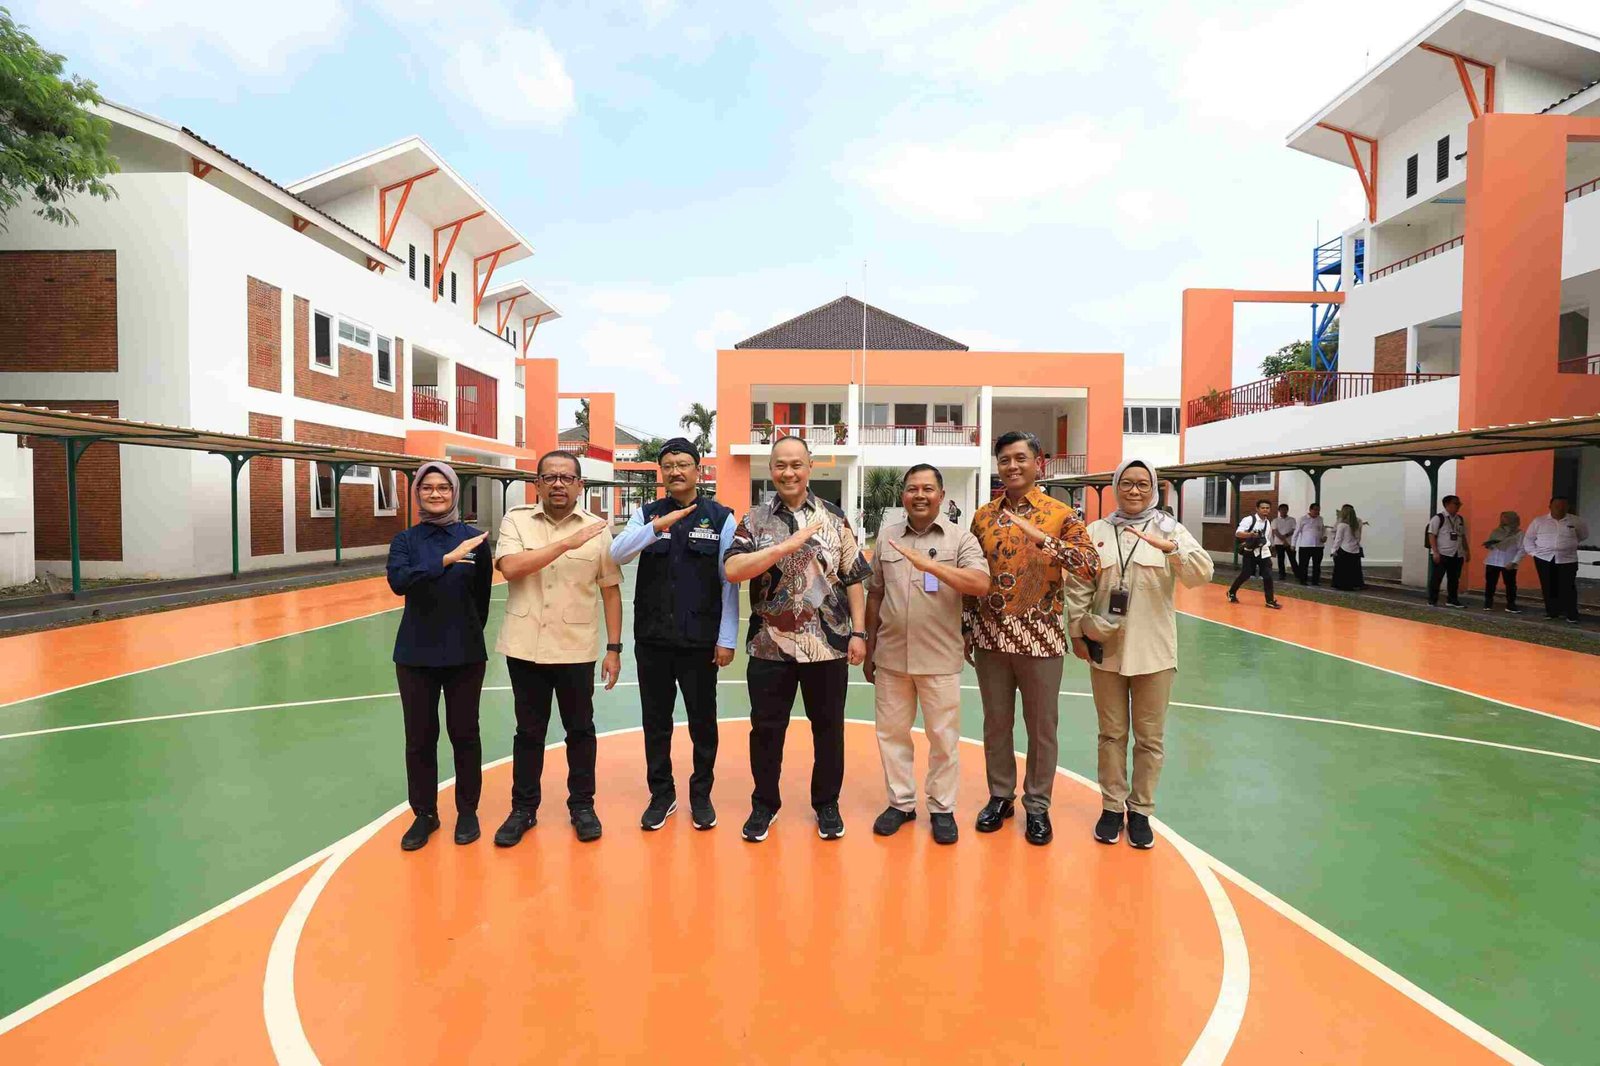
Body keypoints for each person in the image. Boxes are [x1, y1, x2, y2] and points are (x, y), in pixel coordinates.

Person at [723, 436, 871, 843]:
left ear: (810, 468)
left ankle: (827, 804)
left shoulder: (834, 517)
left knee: (829, 730)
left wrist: (859, 632)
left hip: (828, 645)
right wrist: (785, 547)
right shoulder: (755, 520)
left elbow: (854, 578)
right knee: (766, 730)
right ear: (771, 469)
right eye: (780, 465)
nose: (788, 472)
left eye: (796, 464)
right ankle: (764, 804)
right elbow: (733, 569)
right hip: (768, 646)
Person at [1062, 458, 1212, 849]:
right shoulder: (1095, 532)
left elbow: (1202, 574)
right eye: (1127, 483)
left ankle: (1141, 810)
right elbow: (1078, 586)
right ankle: (1112, 807)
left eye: (1143, 484)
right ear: (1116, 486)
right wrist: (1077, 632)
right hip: (1107, 648)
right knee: (1111, 734)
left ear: (1154, 488)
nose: (1134, 490)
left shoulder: (1170, 529)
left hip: (1154, 652)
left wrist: (1173, 550)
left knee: (1149, 738)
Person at [963, 431, 1097, 846]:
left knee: (1041, 729)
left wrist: (1046, 541)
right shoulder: (983, 517)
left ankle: (1037, 805)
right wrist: (967, 626)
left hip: (1041, 641)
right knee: (995, 724)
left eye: (1020, 458)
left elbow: (1090, 565)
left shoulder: (1061, 514)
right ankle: (1000, 796)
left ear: (1039, 463)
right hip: (990, 639)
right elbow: (972, 574)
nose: (1012, 466)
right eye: (1004, 459)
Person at [493, 450, 624, 846]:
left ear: (580, 485)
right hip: (525, 646)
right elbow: (510, 567)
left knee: (580, 730)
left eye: (567, 478)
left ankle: (582, 806)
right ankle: (523, 809)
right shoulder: (516, 520)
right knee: (528, 732)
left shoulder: (597, 530)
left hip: (575, 648)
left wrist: (614, 648)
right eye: (550, 477)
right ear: (537, 484)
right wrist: (567, 543)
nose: (558, 484)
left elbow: (610, 591)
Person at [609, 438, 738, 831]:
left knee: (703, 723)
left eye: (683, 464)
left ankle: (701, 796)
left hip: (700, 641)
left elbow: (729, 582)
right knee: (656, 722)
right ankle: (661, 795)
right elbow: (617, 553)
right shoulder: (645, 514)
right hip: (653, 640)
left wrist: (727, 638)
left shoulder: (721, 518)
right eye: (668, 466)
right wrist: (655, 528)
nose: (675, 471)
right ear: (661, 473)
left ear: (699, 470)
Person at [863, 465, 990, 845]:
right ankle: (901, 803)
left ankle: (941, 808)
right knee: (892, 735)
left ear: (941, 496)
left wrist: (930, 565)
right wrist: (870, 646)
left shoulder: (961, 539)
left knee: (943, 739)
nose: (920, 495)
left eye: (928, 489)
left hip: (939, 658)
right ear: (903, 495)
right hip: (891, 657)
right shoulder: (887, 538)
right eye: (912, 488)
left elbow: (980, 583)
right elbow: (875, 593)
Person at [386, 461, 492, 851]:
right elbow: (400, 581)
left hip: (464, 652)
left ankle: (467, 811)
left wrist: (465, 630)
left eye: (443, 487)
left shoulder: (475, 540)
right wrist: (446, 560)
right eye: (427, 487)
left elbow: (481, 597)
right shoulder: (405, 541)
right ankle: (425, 814)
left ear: (454, 492)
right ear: (417, 493)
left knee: (465, 734)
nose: (435, 494)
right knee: (419, 738)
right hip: (415, 654)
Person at [1525, 497, 1590, 623]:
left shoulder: (1576, 521)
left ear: (1567, 507)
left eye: (1563, 506)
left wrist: (1566, 545)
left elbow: (1583, 535)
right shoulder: (1539, 521)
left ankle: (1571, 614)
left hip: (1568, 559)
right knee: (1548, 586)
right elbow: (1528, 539)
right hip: (1544, 558)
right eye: (1557, 506)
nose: (1560, 509)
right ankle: (1552, 612)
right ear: (1550, 507)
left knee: (1568, 586)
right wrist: (1534, 553)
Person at [1227, 499, 1282, 608]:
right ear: (1257, 509)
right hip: (1250, 552)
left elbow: (1266, 538)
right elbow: (1238, 533)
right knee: (1246, 574)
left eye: (1267, 508)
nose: (1265, 510)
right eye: (1263, 508)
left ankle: (1270, 600)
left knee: (1268, 575)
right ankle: (1231, 592)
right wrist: (1250, 534)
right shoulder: (1249, 520)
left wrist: (1270, 546)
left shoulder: (1267, 522)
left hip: (1264, 552)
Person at [1426, 495, 1469, 609]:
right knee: (1437, 578)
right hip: (1442, 553)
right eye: (1456, 503)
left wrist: (1466, 550)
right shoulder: (1438, 518)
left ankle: (1452, 600)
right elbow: (1431, 535)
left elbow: (1462, 536)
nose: (1458, 506)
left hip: (1457, 553)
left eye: (1459, 504)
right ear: (1447, 504)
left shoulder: (1459, 519)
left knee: (1454, 579)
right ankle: (1432, 600)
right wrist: (1435, 552)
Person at [1482, 511, 1525, 614]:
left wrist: (1514, 562)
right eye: (1502, 517)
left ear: (1512, 519)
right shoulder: (1496, 531)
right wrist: (1489, 544)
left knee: (1510, 585)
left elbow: (1522, 549)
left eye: (1505, 517)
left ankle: (1511, 605)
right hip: (1493, 560)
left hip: (1508, 562)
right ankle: (1488, 604)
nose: (1503, 519)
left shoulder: (1519, 534)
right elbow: (1491, 545)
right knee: (1490, 583)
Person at [1329, 504, 1366, 591]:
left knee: (1342, 569)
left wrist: (1333, 550)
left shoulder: (1342, 525)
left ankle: (1342, 585)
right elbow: (1358, 537)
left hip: (1344, 549)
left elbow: (1338, 539)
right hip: (1355, 550)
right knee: (1353, 569)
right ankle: (1354, 584)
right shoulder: (1358, 523)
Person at [1294, 503, 1327, 586]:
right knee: (1304, 564)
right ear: (1310, 510)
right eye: (1315, 510)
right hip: (1305, 545)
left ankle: (1315, 581)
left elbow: (1323, 530)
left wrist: (1324, 536)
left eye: (1318, 510)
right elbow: (1296, 532)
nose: (1317, 512)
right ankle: (1303, 580)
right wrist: (1293, 544)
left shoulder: (1320, 519)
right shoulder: (1303, 519)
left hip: (1318, 546)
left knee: (1317, 565)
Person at [1269, 503, 1297, 580]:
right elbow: (1275, 531)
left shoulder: (1292, 520)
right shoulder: (1275, 520)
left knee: (1292, 559)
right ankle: (1282, 574)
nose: (1283, 511)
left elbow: (1293, 530)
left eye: (1285, 509)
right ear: (1279, 510)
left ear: (1287, 510)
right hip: (1279, 543)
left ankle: (1297, 574)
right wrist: (1284, 540)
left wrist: (1286, 536)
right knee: (1281, 559)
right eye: (1282, 510)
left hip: (1289, 543)